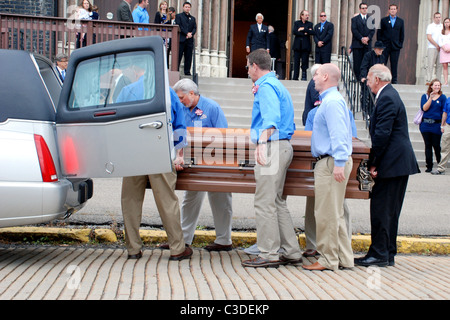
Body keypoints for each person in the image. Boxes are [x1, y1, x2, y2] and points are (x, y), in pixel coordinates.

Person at [241, 49, 302, 268]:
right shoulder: (276, 85)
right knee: (277, 202)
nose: (247, 71)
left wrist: (262, 143)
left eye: (248, 66)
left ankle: (268, 253)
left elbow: (272, 119)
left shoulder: (266, 87)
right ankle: (292, 251)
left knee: (265, 202)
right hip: (282, 146)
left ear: (255, 66)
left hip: (272, 147)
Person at [355, 64, 420, 267]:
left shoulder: (387, 98)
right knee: (390, 210)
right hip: (396, 163)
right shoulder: (389, 95)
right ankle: (387, 252)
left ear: (377, 79)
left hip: (392, 163)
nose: (366, 81)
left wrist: (374, 163)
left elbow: (382, 135)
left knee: (382, 209)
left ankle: (379, 253)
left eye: (368, 77)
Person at [121, 87, 192, 261]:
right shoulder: (167, 91)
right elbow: (179, 125)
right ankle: (177, 249)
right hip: (159, 150)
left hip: (132, 151)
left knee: (130, 200)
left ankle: (133, 249)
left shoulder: (127, 91)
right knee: (167, 201)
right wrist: (178, 153)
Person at [172, 79, 234, 252]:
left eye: (182, 97)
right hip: (191, 162)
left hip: (214, 162)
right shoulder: (181, 109)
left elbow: (224, 135)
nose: (180, 101)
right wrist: (179, 155)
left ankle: (224, 240)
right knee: (190, 199)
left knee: (220, 198)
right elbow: (178, 134)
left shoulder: (212, 108)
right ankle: (183, 240)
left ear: (192, 93)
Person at [303, 64, 354, 271]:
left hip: (331, 161)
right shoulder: (331, 100)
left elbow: (339, 134)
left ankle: (327, 259)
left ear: (325, 77)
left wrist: (339, 163)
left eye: (316, 74)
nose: (313, 78)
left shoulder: (331, 102)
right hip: (332, 160)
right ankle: (343, 258)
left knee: (325, 214)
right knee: (335, 213)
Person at [419, 79, 446, 173]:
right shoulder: (425, 96)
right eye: (435, 85)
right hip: (425, 125)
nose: (437, 87)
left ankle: (440, 165)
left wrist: (443, 125)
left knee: (436, 145)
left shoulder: (442, 97)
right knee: (428, 145)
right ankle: (429, 166)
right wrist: (430, 98)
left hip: (436, 125)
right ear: (431, 86)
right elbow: (424, 108)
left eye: (439, 85)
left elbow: (444, 111)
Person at [378, 4, 405, 84]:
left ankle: (394, 80)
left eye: (394, 9)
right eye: (391, 9)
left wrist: (400, 44)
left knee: (394, 63)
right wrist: (380, 45)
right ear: (389, 10)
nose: (393, 10)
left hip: (395, 46)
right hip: (385, 46)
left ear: (397, 10)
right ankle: (382, 78)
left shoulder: (400, 21)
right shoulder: (383, 20)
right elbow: (379, 33)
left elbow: (402, 34)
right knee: (383, 62)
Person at [351, 3, 375, 81]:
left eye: (365, 8)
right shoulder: (354, 19)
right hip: (357, 44)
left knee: (366, 62)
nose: (364, 9)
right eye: (363, 8)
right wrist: (361, 38)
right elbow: (354, 30)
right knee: (357, 62)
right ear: (360, 9)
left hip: (367, 44)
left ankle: (364, 77)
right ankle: (357, 78)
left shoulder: (371, 19)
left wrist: (367, 38)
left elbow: (372, 30)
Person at [175, 2, 197, 76]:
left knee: (188, 56)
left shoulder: (193, 18)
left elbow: (194, 27)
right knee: (179, 56)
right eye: (186, 7)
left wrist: (191, 34)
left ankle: (187, 72)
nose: (187, 8)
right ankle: (176, 71)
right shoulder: (179, 16)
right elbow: (179, 26)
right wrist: (186, 33)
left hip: (189, 40)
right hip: (181, 39)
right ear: (183, 7)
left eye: (188, 7)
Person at [292, 10, 314, 81]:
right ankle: (295, 77)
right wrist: (304, 33)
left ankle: (304, 77)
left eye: (308, 15)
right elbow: (295, 31)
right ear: (302, 16)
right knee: (296, 62)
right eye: (306, 15)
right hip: (297, 46)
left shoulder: (310, 24)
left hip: (305, 46)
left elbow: (312, 32)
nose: (307, 16)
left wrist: (303, 29)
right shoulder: (296, 23)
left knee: (305, 62)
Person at [433, 99, 450, 174]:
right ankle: (441, 168)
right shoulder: (448, 99)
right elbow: (445, 112)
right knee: (444, 147)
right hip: (448, 125)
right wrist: (442, 125)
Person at [426, 12, 443, 84]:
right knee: (430, 64)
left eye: (439, 17)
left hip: (441, 48)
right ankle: (428, 80)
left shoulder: (442, 26)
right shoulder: (430, 26)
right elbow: (429, 37)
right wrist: (436, 45)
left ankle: (438, 81)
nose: (438, 19)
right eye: (436, 17)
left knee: (439, 65)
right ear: (434, 18)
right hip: (432, 47)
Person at [439, 18, 450, 86]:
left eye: (448, 22)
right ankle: (446, 82)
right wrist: (444, 48)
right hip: (443, 49)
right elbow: (440, 41)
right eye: (445, 22)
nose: (446, 23)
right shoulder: (441, 32)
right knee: (444, 66)